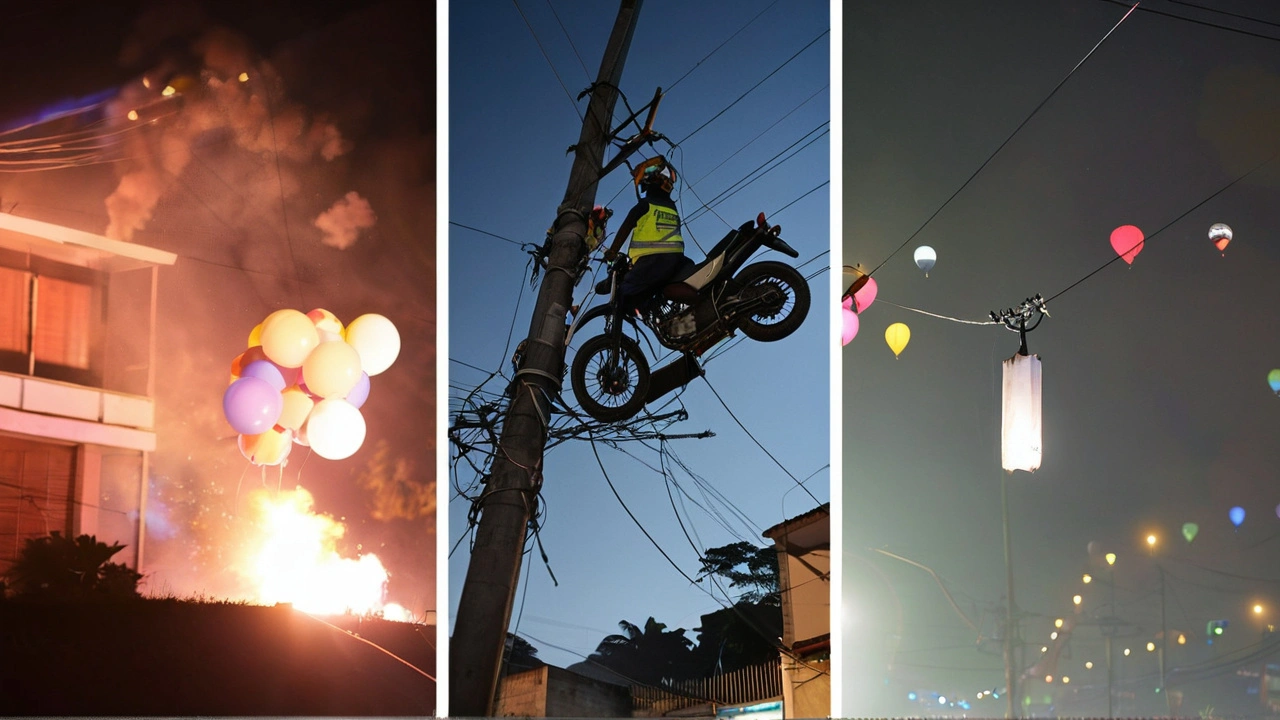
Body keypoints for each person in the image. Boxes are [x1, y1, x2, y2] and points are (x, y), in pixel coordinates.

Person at [601, 158, 693, 313]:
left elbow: (625, 229)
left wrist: (612, 252)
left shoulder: (645, 205)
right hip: (677, 259)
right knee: (665, 289)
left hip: (653, 261)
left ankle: (645, 314)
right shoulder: (672, 207)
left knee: (625, 293)